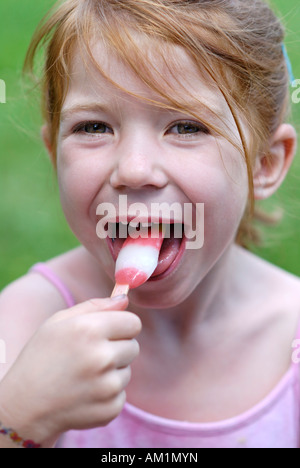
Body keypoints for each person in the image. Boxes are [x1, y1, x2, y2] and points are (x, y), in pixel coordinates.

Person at [0, 0, 299, 449]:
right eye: (95, 126)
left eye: (186, 127)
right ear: (53, 153)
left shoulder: (290, 335)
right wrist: (17, 419)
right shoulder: (21, 326)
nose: (135, 169)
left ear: (265, 163)